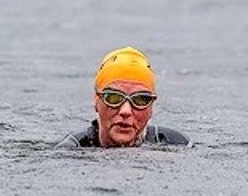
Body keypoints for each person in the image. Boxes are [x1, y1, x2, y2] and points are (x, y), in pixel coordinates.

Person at [60, 46, 189, 148]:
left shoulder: (177, 144)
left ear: (151, 108)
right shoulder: (70, 151)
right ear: (96, 101)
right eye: (114, 98)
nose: (125, 111)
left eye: (140, 100)